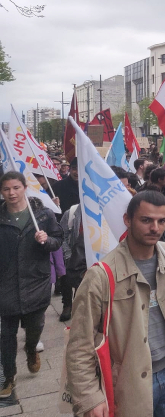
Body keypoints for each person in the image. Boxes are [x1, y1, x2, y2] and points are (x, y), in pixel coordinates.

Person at [65, 191, 165, 417]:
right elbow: (80, 343)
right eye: (146, 220)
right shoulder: (100, 276)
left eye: (161, 221)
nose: (155, 228)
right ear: (128, 220)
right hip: (129, 384)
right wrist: (90, 398)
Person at [0, 171, 64, 398]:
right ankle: (8, 376)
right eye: (6, 189)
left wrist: (47, 240)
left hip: (35, 282)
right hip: (5, 285)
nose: (11, 193)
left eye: (16, 188)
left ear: (24, 188)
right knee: (6, 334)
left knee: (35, 326)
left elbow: (58, 241)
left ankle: (30, 350)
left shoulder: (42, 215)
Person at [59, 196, 87, 322]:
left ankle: (78, 305)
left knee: (82, 284)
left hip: (88, 257)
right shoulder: (71, 213)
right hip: (71, 253)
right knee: (66, 280)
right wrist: (68, 254)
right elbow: (61, 235)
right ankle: (67, 305)